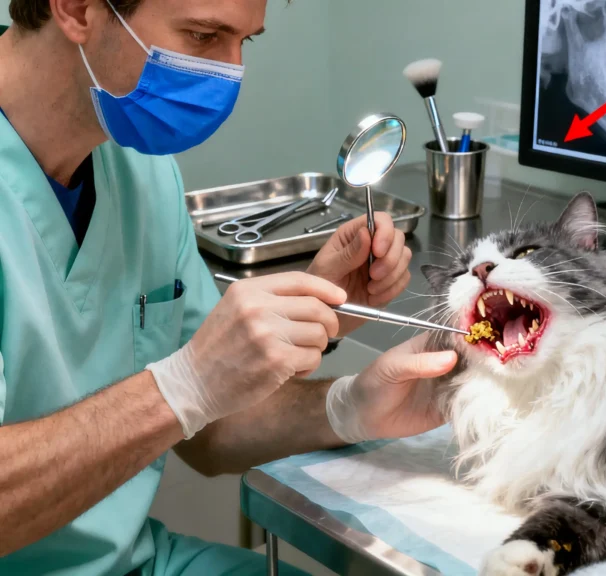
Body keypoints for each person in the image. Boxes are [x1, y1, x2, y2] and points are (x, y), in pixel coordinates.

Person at [0, 1, 459, 575]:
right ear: (75, 8)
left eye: (247, 42)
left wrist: (349, 406)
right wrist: (180, 385)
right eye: (203, 34)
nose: (229, 74)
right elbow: (184, 394)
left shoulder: (139, 169)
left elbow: (210, 432)